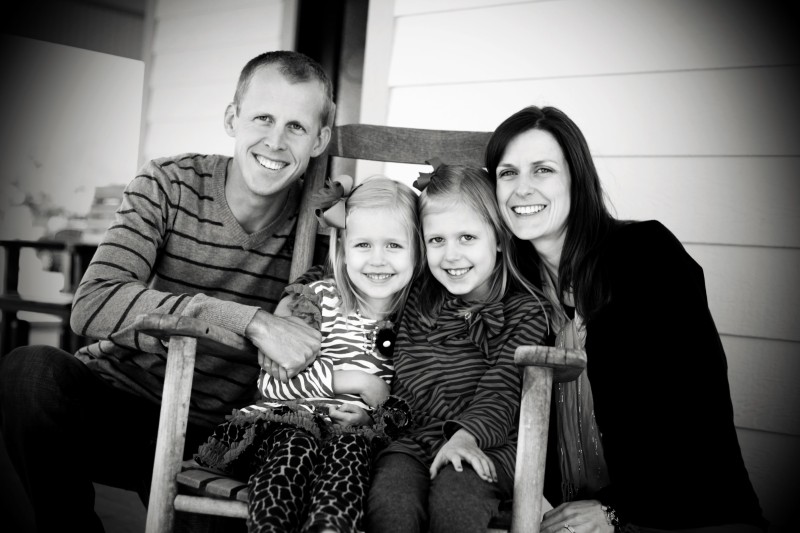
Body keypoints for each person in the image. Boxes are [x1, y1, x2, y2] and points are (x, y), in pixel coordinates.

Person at [0, 50, 334, 533]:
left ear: (319, 139)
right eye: (262, 117)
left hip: (221, 434)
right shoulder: (169, 183)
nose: (275, 141)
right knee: (29, 374)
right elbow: (93, 304)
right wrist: (252, 321)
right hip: (122, 400)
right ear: (232, 118)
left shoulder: (327, 229)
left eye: (296, 127)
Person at [485, 105, 766, 532]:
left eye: (542, 170)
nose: (522, 189)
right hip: (565, 520)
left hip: (684, 517)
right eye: (508, 173)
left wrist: (618, 512)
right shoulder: (517, 293)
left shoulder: (644, 256)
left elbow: (696, 407)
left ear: (577, 179)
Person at [193, 175, 423, 533]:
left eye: (394, 245)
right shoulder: (318, 301)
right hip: (284, 427)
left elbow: (410, 408)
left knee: (349, 458)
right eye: (363, 245)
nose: (378, 260)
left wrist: (371, 418)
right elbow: (272, 383)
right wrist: (354, 380)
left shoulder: (416, 321)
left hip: (351, 440)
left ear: (418, 250)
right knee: (295, 447)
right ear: (343, 249)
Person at [364, 162, 550, 533]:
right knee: (390, 500)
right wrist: (300, 294)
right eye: (437, 240)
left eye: (467, 237)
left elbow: (503, 390)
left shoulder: (527, 311)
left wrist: (465, 438)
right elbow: (359, 269)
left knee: (455, 497)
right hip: (415, 440)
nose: (451, 255)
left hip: (490, 443)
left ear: (498, 238)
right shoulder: (418, 293)